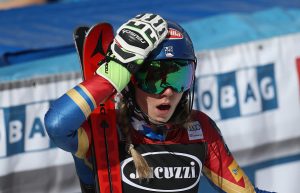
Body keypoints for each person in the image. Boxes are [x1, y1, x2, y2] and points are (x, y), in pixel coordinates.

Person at [44, 13, 274, 193]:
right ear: (130, 81)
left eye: (178, 78)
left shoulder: (199, 129)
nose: (169, 92)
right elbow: (57, 125)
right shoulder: (101, 127)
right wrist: (114, 72)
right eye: (154, 79)